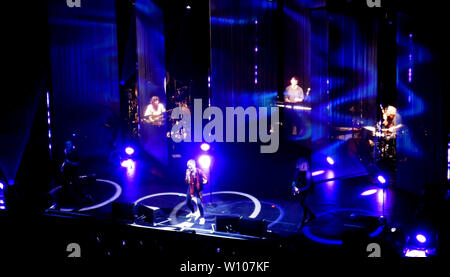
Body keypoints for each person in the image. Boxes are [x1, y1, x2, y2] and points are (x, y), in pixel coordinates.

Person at [292, 158, 315, 228]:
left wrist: (300, 189)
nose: (303, 166)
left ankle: (303, 220)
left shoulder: (308, 173)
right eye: (302, 165)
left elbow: (308, 186)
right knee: (302, 203)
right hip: (301, 189)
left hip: (307, 190)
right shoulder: (297, 172)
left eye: (305, 165)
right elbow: (293, 181)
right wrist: (293, 188)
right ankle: (312, 215)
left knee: (304, 203)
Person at [185, 159, 207, 225]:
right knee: (187, 202)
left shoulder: (199, 171)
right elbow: (187, 181)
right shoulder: (187, 171)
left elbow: (205, 178)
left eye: (190, 166)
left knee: (199, 203)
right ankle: (193, 212)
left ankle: (202, 218)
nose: (189, 167)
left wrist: (204, 181)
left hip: (198, 188)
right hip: (191, 187)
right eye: (188, 166)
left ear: (194, 165)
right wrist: (187, 176)